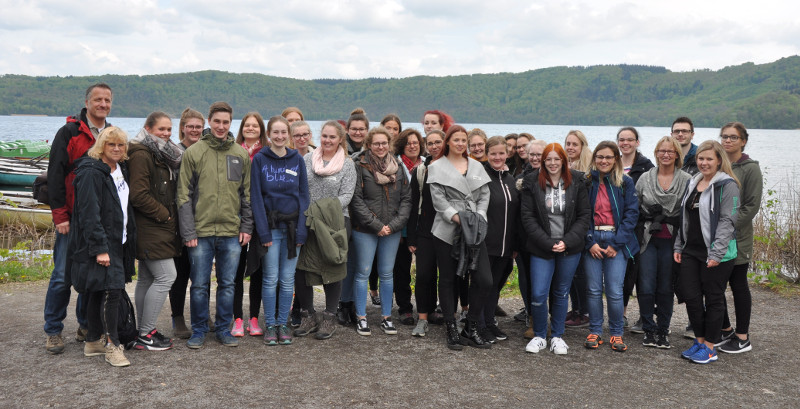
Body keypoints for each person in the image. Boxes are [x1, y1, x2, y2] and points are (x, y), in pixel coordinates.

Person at [177, 101, 253, 349]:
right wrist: (188, 231)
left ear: (231, 123)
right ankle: (198, 330)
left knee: (228, 284)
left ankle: (223, 329)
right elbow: (183, 196)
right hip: (200, 232)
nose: (221, 126)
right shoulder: (194, 153)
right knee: (199, 285)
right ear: (210, 121)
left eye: (226, 122)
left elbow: (246, 195)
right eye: (217, 121)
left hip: (231, 232)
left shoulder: (240, 154)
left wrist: (247, 227)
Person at [44, 82, 112, 354]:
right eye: (98, 99)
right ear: (87, 103)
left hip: (94, 221)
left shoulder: (110, 134)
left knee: (89, 277)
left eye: (107, 100)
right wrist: (60, 215)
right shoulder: (70, 132)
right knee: (62, 276)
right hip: (70, 218)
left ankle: (86, 325)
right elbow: (55, 176)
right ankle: (53, 330)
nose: (103, 104)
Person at [69, 126, 136, 367]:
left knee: (100, 290)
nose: (117, 149)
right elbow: (88, 213)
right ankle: (112, 346)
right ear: (101, 147)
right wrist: (100, 248)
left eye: (120, 145)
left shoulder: (119, 169)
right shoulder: (91, 172)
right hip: (103, 243)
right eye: (111, 145)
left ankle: (93, 341)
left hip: (119, 241)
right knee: (113, 291)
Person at [520, 143, 590, 354]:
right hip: (542, 247)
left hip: (569, 247)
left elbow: (584, 215)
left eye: (556, 159)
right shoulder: (532, 181)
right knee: (539, 294)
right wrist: (548, 242)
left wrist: (566, 241)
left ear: (563, 161)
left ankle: (557, 335)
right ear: (543, 161)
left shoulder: (577, 180)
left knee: (561, 292)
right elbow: (528, 217)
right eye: (548, 159)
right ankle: (540, 335)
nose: (552, 163)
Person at [427, 125, 493, 350]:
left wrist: (479, 216)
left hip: (474, 228)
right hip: (447, 230)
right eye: (456, 139)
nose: (460, 143)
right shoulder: (436, 166)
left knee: (484, 279)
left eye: (463, 139)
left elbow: (484, 195)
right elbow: (438, 199)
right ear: (448, 141)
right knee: (448, 279)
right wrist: (456, 218)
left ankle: (471, 326)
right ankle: (451, 327)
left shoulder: (476, 165)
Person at [675, 141, 740, 364]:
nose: (704, 163)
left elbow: (727, 221)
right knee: (692, 297)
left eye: (709, 159)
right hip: (691, 250)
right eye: (701, 158)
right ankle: (700, 341)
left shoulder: (727, 185)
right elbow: (683, 218)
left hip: (717, 253)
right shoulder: (693, 182)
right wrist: (678, 245)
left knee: (713, 298)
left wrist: (717, 253)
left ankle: (711, 347)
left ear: (719, 160)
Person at [344, 126, 411, 336]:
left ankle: (386, 317)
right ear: (369, 145)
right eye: (376, 143)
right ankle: (362, 317)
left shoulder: (398, 166)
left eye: (384, 143)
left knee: (386, 274)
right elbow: (356, 199)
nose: (380, 147)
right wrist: (376, 225)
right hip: (365, 229)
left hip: (392, 229)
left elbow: (407, 199)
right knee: (362, 273)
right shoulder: (359, 165)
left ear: (389, 144)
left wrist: (394, 225)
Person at [294, 121, 357, 340]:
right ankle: (308, 315)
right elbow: (301, 189)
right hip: (307, 222)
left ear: (341, 139)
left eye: (332, 137)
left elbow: (347, 196)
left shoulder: (348, 165)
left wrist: (318, 211)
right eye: (324, 136)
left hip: (335, 223)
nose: (327, 140)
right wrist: (310, 214)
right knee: (303, 269)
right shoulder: (307, 159)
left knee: (333, 268)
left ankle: (329, 317)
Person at [251, 116, 310, 346]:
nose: (279, 136)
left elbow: (304, 197)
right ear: (268, 135)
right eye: (274, 132)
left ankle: (283, 323)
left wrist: (303, 231)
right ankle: (271, 324)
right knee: (270, 278)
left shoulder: (297, 160)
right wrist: (263, 232)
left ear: (289, 134)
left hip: (293, 228)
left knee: (287, 280)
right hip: (271, 228)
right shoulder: (260, 160)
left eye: (283, 132)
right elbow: (256, 197)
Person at [128, 112, 184, 351]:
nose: (167, 134)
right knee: (166, 277)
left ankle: (142, 331)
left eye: (169, 129)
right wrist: (165, 214)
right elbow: (138, 195)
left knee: (147, 279)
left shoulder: (159, 153)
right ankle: (146, 332)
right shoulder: (141, 154)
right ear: (148, 128)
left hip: (154, 228)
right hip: (151, 226)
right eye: (161, 129)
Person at [583, 141, 640, 353]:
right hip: (593, 239)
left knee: (615, 291)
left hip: (617, 239)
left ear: (615, 159)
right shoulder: (586, 182)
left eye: (608, 157)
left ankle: (616, 333)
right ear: (594, 158)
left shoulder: (625, 182)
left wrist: (617, 243)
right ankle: (595, 331)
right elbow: (581, 215)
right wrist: (590, 242)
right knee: (594, 289)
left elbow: (631, 214)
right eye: (600, 157)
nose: (604, 161)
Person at [635, 136, 691, 349]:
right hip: (649, 240)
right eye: (662, 151)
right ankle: (648, 328)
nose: (666, 154)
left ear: (677, 154)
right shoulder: (644, 178)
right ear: (656, 153)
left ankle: (663, 330)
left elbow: (688, 213)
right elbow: (636, 208)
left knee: (666, 287)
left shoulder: (686, 179)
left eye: (670, 151)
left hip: (672, 240)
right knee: (647, 286)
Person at [718, 122, 761, 354]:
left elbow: (751, 205)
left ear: (743, 141)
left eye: (733, 137)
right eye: (724, 136)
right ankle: (725, 331)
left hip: (738, 237)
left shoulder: (750, 168)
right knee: (714, 285)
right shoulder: (718, 164)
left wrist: (728, 227)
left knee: (738, 284)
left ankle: (743, 337)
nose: (728, 141)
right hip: (716, 237)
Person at [230, 112, 268, 337]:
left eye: (255, 125)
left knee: (257, 271)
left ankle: (254, 318)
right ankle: (236, 319)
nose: (251, 128)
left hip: (260, 218)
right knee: (235, 272)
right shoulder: (234, 152)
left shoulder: (267, 153)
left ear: (261, 129)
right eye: (247, 125)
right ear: (242, 128)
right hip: (236, 218)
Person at [481, 136, 521, 343]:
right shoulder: (481, 175)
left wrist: (514, 244)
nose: (497, 157)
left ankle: (489, 322)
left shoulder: (510, 179)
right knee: (483, 285)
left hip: (506, 245)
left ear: (507, 154)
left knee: (495, 285)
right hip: (485, 243)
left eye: (501, 153)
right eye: (493, 153)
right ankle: (478, 324)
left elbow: (514, 214)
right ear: (487, 154)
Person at [407, 130, 446, 337]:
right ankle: (423, 318)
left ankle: (447, 315)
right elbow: (414, 204)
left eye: (438, 142)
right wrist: (412, 236)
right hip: (425, 230)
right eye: (430, 143)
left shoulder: (454, 167)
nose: (434, 146)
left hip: (449, 229)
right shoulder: (421, 170)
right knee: (423, 275)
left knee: (447, 277)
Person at [169, 108, 204, 339]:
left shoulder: (205, 151)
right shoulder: (173, 152)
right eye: (190, 126)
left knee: (200, 274)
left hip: (203, 219)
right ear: (182, 127)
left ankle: (201, 315)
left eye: (198, 127)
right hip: (179, 218)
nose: (194, 130)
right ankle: (178, 317)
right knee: (180, 273)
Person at [616, 127, 654, 331]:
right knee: (621, 273)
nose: (625, 143)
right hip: (615, 225)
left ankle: (644, 316)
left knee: (638, 273)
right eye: (622, 140)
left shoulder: (646, 167)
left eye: (630, 139)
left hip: (639, 226)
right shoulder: (613, 164)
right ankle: (620, 314)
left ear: (637, 142)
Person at [391, 128, 425, 325]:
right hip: (400, 224)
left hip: (423, 225)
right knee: (401, 269)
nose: (413, 146)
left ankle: (426, 307)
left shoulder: (427, 164)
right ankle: (404, 308)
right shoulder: (395, 164)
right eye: (408, 143)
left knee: (425, 270)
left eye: (416, 143)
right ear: (402, 145)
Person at [563, 129, 592, 329]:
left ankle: (585, 311)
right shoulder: (564, 167)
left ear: (582, 147)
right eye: (568, 144)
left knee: (581, 273)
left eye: (574, 144)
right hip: (566, 228)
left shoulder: (588, 172)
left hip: (582, 227)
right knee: (571, 273)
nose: (570, 147)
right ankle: (576, 308)